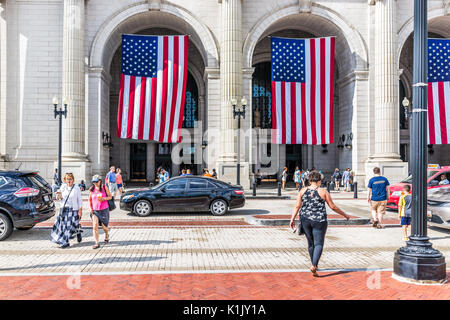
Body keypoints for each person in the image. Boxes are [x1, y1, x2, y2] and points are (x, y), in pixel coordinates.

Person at [290, 171, 350, 277]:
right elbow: (333, 207)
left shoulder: (302, 191)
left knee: (310, 243)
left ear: (309, 180)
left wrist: (292, 219)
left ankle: (314, 264)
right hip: (319, 220)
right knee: (318, 243)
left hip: (305, 220)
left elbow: (297, 206)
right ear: (319, 181)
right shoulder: (323, 192)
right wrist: (345, 215)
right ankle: (314, 265)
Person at [51, 173, 83, 248]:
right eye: (67, 179)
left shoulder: (76, 188)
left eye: (70, 179)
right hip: (63, 209)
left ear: (73, 180)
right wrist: (58, 196)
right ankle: (65, 240)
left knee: (68, 226)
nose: (68, 180)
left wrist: (80, 210)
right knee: (62, 226)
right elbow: (59, 198)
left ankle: (65, 242)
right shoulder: (63, 187)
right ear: (65, 180)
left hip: (73, 209)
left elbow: (79, 200)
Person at [88, 175, 112, 249]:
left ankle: (107, 235)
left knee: (104, 227)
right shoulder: (91, 189)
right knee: (95, 226)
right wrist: (90, 208)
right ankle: (96, 243)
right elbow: (90, 200)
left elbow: (110, 197)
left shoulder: (105, 187)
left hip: (104, 210)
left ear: (100, 181)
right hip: (95, 210)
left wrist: (103, 198)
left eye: (96, 181)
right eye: (93, 182)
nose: (95, 183)